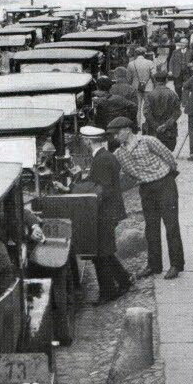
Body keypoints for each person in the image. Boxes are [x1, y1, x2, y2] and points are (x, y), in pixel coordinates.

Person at [108, 117, 184, 280]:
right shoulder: (119, 153)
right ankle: (154, 265)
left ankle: (176, 265)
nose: (115, 137)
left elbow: (169, 157)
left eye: (117, 133)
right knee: (151, 227)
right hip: (146, 189)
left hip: (165, 183)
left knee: (171, 225)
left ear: (128, 130)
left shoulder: (148, 141)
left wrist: (170, 174)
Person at [79, 126, 133, 303]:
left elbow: (102, 189)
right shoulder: (105, 156)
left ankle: (108, 292)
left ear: (88, 141)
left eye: (83, 140)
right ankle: (124, 280)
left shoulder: (101, 160)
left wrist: (80, 192)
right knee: (105, 251)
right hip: (110, 210)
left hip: (105, 212)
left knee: (100, 253)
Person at [142, 71, 181, 151]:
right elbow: (177, 112)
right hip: (169, 132)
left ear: (155, 80)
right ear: (166, 80)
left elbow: (146, 112)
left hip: (153, 132)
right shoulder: (172, 94)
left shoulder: (150, 95)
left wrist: (156, 126)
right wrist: (166, 125)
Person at [125, 47, 156, 128]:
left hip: (135, 87)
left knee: (137, 107)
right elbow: (154, 75)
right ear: (144, 54)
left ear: (136, 54)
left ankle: (138, 125)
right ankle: (148, 124)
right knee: (148, 107)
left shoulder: (131, 64)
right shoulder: (150, 63)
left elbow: (128, 78)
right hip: (148, 87)